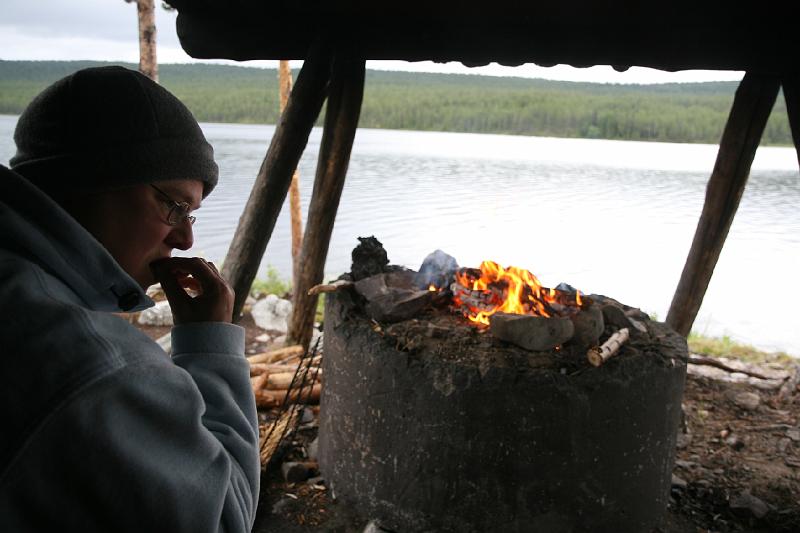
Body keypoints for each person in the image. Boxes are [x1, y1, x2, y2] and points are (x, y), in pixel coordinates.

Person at [0, 66, 260, 531]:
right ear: (95, 179)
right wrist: (210, 343)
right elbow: (225, 517)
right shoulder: (97, 370)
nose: (183, 239)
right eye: (174, 206)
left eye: (192, 216)